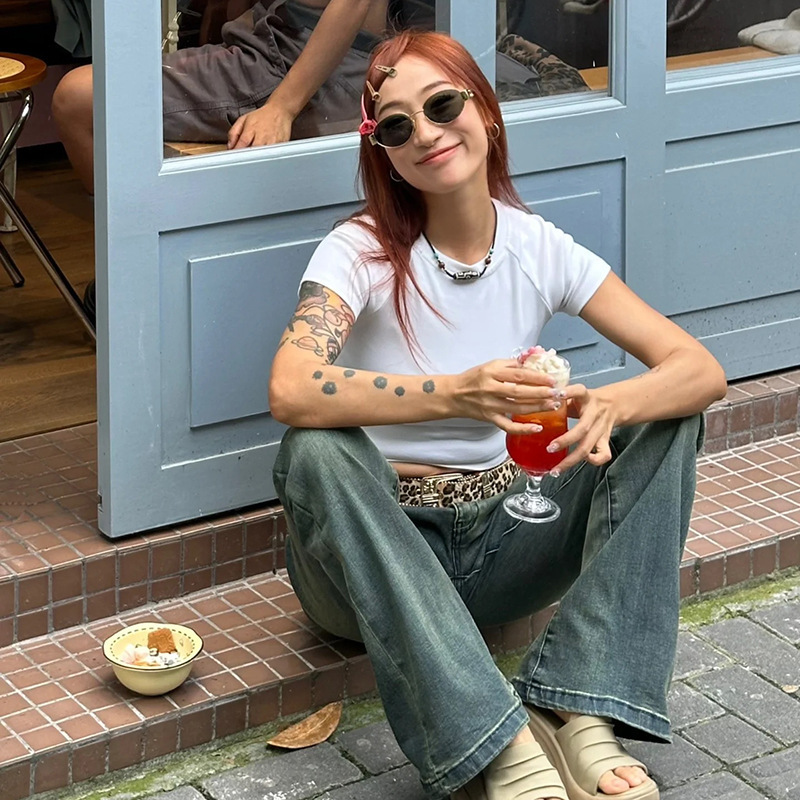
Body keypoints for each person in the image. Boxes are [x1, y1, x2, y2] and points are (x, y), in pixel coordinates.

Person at [268, 28, 725, 800]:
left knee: (667, 414)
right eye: (397, 126)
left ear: (484, 109)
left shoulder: (537, 248)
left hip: (505, 540)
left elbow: (700, 369)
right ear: (383, 152)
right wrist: (457, 393)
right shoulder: (358, 251)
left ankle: (576, 705)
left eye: (442, 105)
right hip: (370, 562)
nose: (425, 133)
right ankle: (494, 747)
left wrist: (608, 404)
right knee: (313, 451)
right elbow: (290, 387)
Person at [51, 0, 391, 195]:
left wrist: (281, 107)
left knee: (78, 98)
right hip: (279, 40)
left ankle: (131, 269)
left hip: (306, 64)